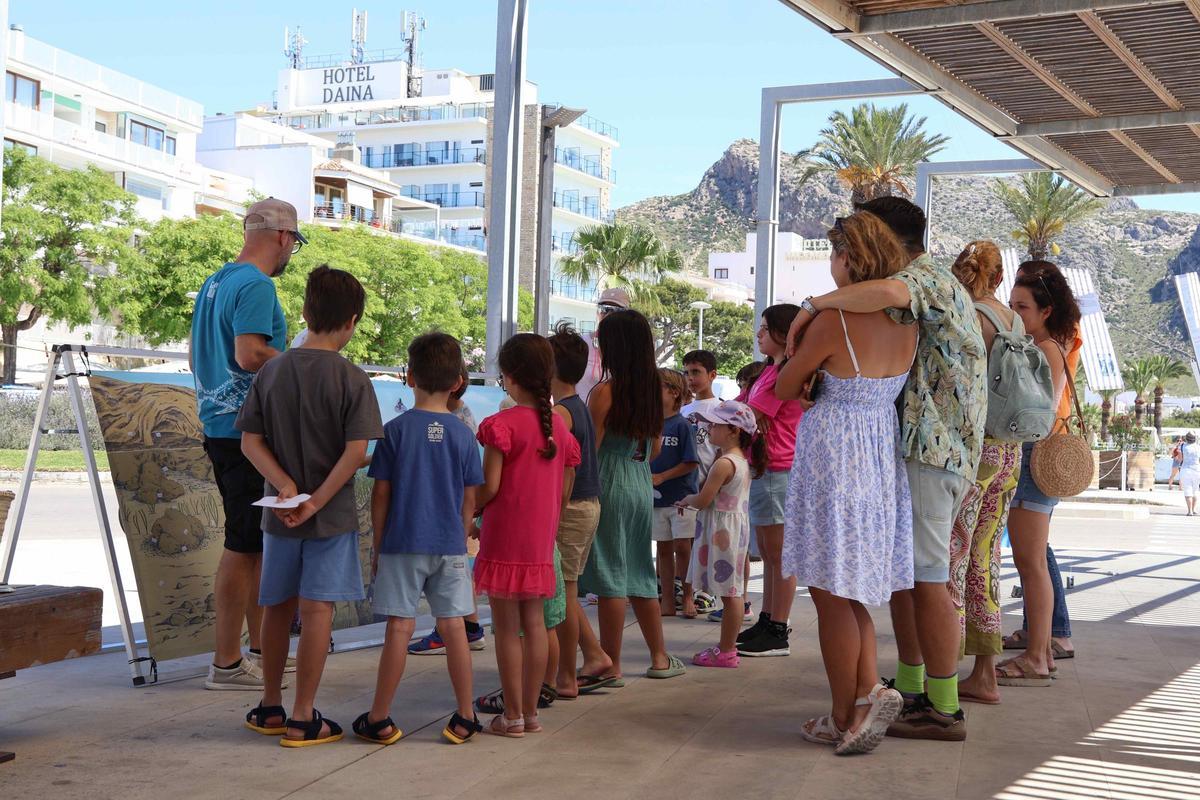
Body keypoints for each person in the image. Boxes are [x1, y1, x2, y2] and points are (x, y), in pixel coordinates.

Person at [785, 196, 987, 740]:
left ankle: (942, 707)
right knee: (906, 580)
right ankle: (910, 689)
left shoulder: (922, 280)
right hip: (930, 449)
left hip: (931, 449)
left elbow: (886, 292)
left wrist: (812, 305)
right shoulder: (922, 292)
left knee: (927, 580)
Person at [776, 211, 915, 754]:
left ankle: (844, 713)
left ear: (850, 259)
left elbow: (787, 385)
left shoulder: (832, 323)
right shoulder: (907, 323)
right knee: (851, 591)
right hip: (879, 455)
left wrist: (806, 335)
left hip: (834, 455)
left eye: (834, 254)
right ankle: (864, 696)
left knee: (830, 592)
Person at [237, 265, 383, 747]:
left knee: (275, 607)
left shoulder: (271, 371)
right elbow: (357, 452)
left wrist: (284, 487)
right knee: (317, 611)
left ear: (304, 313)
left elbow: (250, 442)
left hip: (277, 515)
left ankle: (271, 705)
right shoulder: (353, 379)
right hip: (330, 517)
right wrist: (316, 500)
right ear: (353, 321)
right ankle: (304, 716)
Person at [190, 197, 304, 690]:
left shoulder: (215, 281)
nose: (290, 253)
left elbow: (200, 357)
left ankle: (261, 649)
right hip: (245, 434)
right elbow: (251, 351)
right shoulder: (256, 285)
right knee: (243, 543)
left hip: (219, 424)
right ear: (282, 237)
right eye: (293, 244)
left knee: (256, 544)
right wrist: (303, 365)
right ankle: (226, 662)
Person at [360, 332, 484, 746]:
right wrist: (463, 532)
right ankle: (465, 716)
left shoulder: (393, 431)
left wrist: (379, 545)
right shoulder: (465, 435)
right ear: (457, 382)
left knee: (399, 627)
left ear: (408, 376)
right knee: (453, 626)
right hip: (449, 544)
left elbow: (381, 493)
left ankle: (379, 718)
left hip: (401, 542)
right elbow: (470, 498)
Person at [473, 334, 581, 737]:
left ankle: (512, 714)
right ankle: (531, 713)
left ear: (509, 376)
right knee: (535, 624)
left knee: (506, 628)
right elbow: (565, 491)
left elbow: (490, 487)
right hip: (540, 538)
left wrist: (471, 509)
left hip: (504, 535)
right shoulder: (559, 431)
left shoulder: (501, 425)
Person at [577, 309, 688, 685]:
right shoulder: (651, 393)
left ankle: (611, 664)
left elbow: (591, 448)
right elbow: (654, 448)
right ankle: (659, 657)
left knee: (609, 574)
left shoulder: (605, 392)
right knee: (640, 570)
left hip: (609, 479)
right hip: (640, 479)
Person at [945, 242, 1023, 706]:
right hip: (1009, 453)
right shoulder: (1013, 319)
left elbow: (960, 387)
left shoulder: (970, 316)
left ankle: (942, 668)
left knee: (954, 557)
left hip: (976, 454)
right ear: (998, 277)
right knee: (986, 559)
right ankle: (985, 674)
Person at [996, 262, 1080, 688]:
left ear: (1045, 310)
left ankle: (1036, 657)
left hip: (1032, 459)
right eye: (1011, 305)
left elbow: (1034, 415)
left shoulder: (1044, 350)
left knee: (1031, 563)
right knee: (1033, 561)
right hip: (1033, 460)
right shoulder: (1046, 346)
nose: (1015, 313)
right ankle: (1042, 649)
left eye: (1022, 306)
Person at [737, 304, 804, 658]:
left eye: (765, 328)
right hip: (764, 466)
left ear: (783, 332)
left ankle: (779, 627)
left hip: (779, 465)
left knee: (780, 554)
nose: (759, 334)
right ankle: (767, 617)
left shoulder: (786, 373)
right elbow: (743, 407)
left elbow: (752, 414)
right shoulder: (768, 370)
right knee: (766, 549)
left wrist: (731, 415)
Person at [408, 361, 488, 655]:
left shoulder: (455, 420)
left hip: (447, 510)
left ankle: (449, 630)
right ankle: (470, 628)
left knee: (448, 577)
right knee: (459, 572)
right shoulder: (460, 415)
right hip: (456, 508)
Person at [542, 324, 604, 699]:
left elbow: (557, 471)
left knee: (561, 594)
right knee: (568, 589)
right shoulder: (575, 407)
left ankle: (567, 673)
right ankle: (591, 656)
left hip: (571, 507)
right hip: (587, 504)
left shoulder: (561, 414)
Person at [679, 401, 760, 668]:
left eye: (715, 425)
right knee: (732, 591)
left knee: (730, 592)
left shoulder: (724, 464)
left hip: (722, 532)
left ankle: (726, 651)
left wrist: (685, 500)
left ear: (734, 431)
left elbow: (703, 500)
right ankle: (727, 648)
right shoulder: (739, 461)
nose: (710, 429)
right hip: (733, 530)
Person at [681, 350, 735, 621]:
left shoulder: (722, 409)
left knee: (710, 541)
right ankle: (688, 593)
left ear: (712, 375)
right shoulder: (683, 410)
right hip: (687, 484)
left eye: (696, 372)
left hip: (712, 484)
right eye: (687, 372)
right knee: (686, 541)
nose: (691, 378)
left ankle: (711, 592)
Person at [651, 368, 700, 617]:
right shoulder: (651, 423)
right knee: (663, 548)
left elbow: (691, 461)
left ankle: (688, 595)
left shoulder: (682, 425)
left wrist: (662, 476)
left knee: (683, 546)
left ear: (674, 392)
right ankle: (667, 598)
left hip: (681, 497)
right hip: (658, 499)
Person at [576, 287, 631, 402]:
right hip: (581, 416)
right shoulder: (580, 344)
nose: (608, 314)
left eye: (615, 310)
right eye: (604, 309)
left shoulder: (630, 349)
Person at [1179, 433, 1200, 515]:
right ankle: (1194, 509)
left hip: (1185, 470)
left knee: (1188, 490)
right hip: (1197, 470)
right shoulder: (1198, 447)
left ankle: (1190, 511)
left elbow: (1180, 459)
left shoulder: (1182, 446)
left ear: (1186, 439)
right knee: (1195, 491)